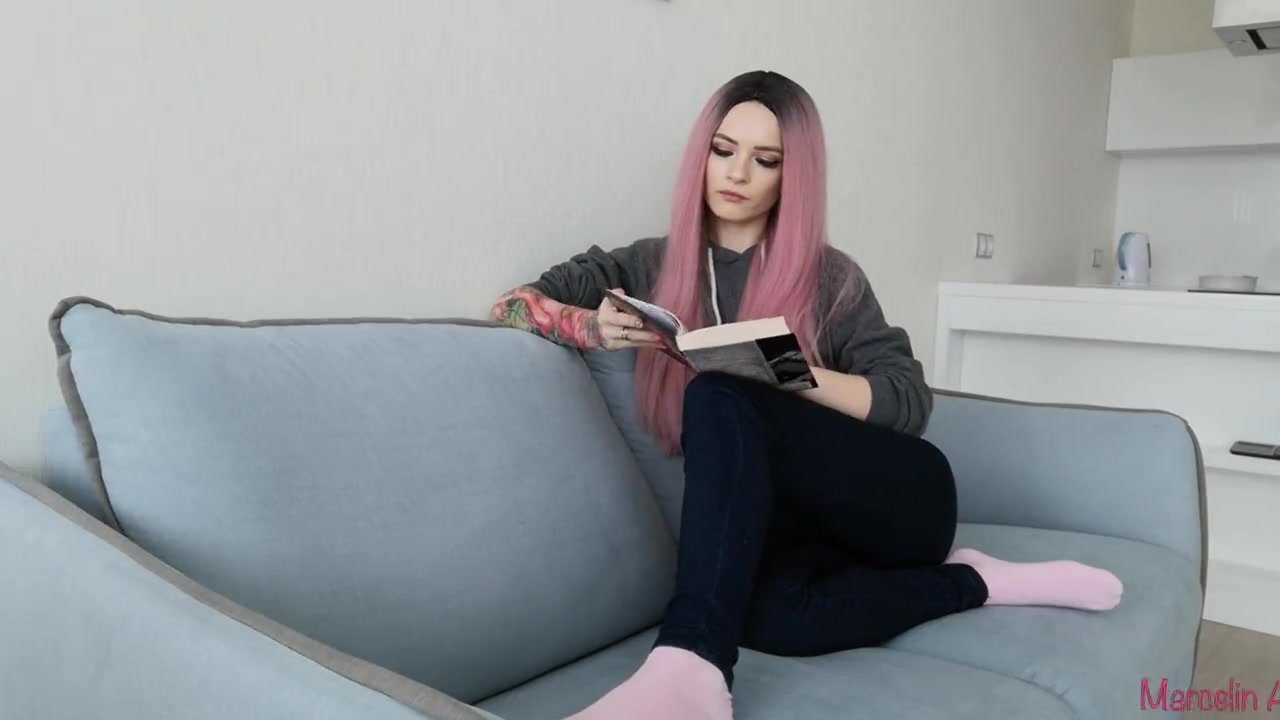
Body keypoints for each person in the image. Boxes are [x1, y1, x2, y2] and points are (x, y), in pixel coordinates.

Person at [488, 70, 1123, 720]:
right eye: (723, 150)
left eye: (765, 160)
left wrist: (784, 372)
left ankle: (688, 666)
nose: (737, 173)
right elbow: (511, 305)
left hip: (902, 504)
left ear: (792, 176)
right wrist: (590, 327)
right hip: (800, 532)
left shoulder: (829, 277)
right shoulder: (648, 263)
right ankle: (975, 580)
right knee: (772, 620)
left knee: (717, 393)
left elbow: (908, 400)